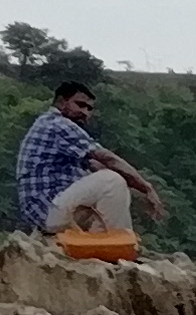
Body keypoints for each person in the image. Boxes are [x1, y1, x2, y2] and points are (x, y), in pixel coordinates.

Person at [11, 80, 163, 245]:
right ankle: (119, 244)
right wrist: (146, 187)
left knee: (111, 182)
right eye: (80, 105)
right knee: (112, 180)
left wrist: (133, 189)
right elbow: (106, 158)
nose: (85, 112)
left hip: (50, 211)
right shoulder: (58, 124)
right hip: (50, 210)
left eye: (89, 108)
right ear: (61, 102)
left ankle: (102, 244)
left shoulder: (48, 125)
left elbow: (96, 166)